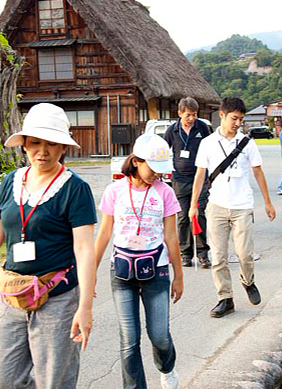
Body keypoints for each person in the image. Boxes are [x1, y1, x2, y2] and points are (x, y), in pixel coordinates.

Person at [0, 103, 97, 389]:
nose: (42, 151)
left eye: (51, 144)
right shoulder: (10, 182)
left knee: (54, 381)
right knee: (4, 377)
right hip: (14, 295)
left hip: (58, 297)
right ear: (24, 145)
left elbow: (84, 250)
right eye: (35, 143)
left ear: (63, 147)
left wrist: (86, 308)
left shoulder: (74, 188)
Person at [94, 133, 183, 389]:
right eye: (153, 168)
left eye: (161, 170)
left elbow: (172, 238)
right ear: (135, 161)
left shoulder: (165, 193)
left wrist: (179, 276)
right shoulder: (114, 191)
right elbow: (103, 235)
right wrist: (89, 277)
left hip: (157, 272)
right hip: (121, 273)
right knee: (129, 340)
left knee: (160, 336)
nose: (158, 174)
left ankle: (166, 368)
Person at [189, 97, 276, 318]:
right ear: (222, 116)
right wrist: (193, 205)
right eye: (234, 118)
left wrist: (267, 202)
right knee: (218, 257)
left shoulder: (247, 143)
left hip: (242, 207)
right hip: (217, 206)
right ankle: (225, 298)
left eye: (241, 119)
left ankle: (248, 281)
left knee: (245, 254)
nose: (238, 123)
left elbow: (258, 172)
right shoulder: (207, 143)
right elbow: (200, 175)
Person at [164, 97, 211, 268]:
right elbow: (163, 151)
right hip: (180, 180)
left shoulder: (202, 127)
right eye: (188, 115)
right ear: (179, 114)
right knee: (183, 217)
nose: (191, 118)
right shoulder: (172, 130)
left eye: (194, 114)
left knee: (199, 215)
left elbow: (211, 149)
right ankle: (185, 253)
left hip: (200, 178)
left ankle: (202, 253)